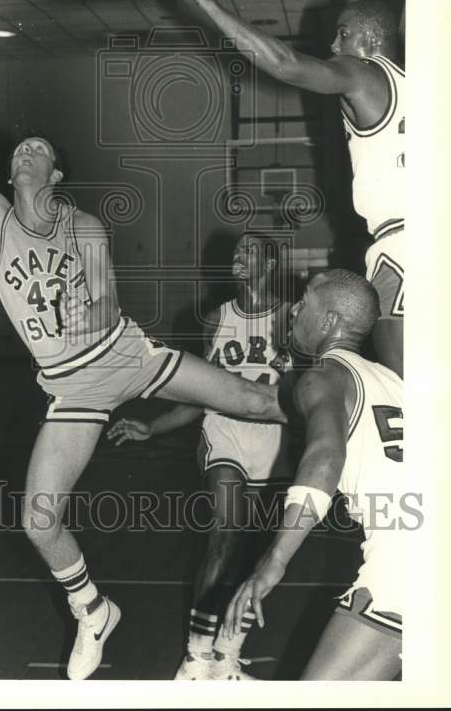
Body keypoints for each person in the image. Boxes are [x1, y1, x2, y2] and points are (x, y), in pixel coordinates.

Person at [0, 0, 290, 680]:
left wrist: (67, 339)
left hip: (125, 356)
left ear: (52, 178)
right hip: (72, 387)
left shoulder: (82, 226)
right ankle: (92, 611)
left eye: (38, 151)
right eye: (19, 149)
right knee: (36, 520)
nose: (24, 151)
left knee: (259, 404)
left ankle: (354, 435)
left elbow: (103, 307)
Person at [193, 0, 404, 378]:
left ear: (371, 39)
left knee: (406, 391)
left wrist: (208, 4)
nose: (333, 42)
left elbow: (287, 64)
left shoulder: (365, 73)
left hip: (403, 245)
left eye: (342, 33)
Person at [108, 233, 293, 680]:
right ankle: (194, 657)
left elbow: (308, 395)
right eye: (235, 251)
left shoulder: (291, 319)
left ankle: (227, 655)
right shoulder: (215, 320)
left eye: (248, 251)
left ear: (270, 264)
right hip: (224, 434)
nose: (236, 257)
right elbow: (201, 394)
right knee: (224, 536)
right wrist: (151, 426)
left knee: (255, 555)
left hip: (276, 442)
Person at [222, 268, 404, 680]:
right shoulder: (393, 382)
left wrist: (276, 559)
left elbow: (324, 457)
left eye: (303, 302)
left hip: (406, 559)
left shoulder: (323, 376)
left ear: (329, 321)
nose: (293, 311)